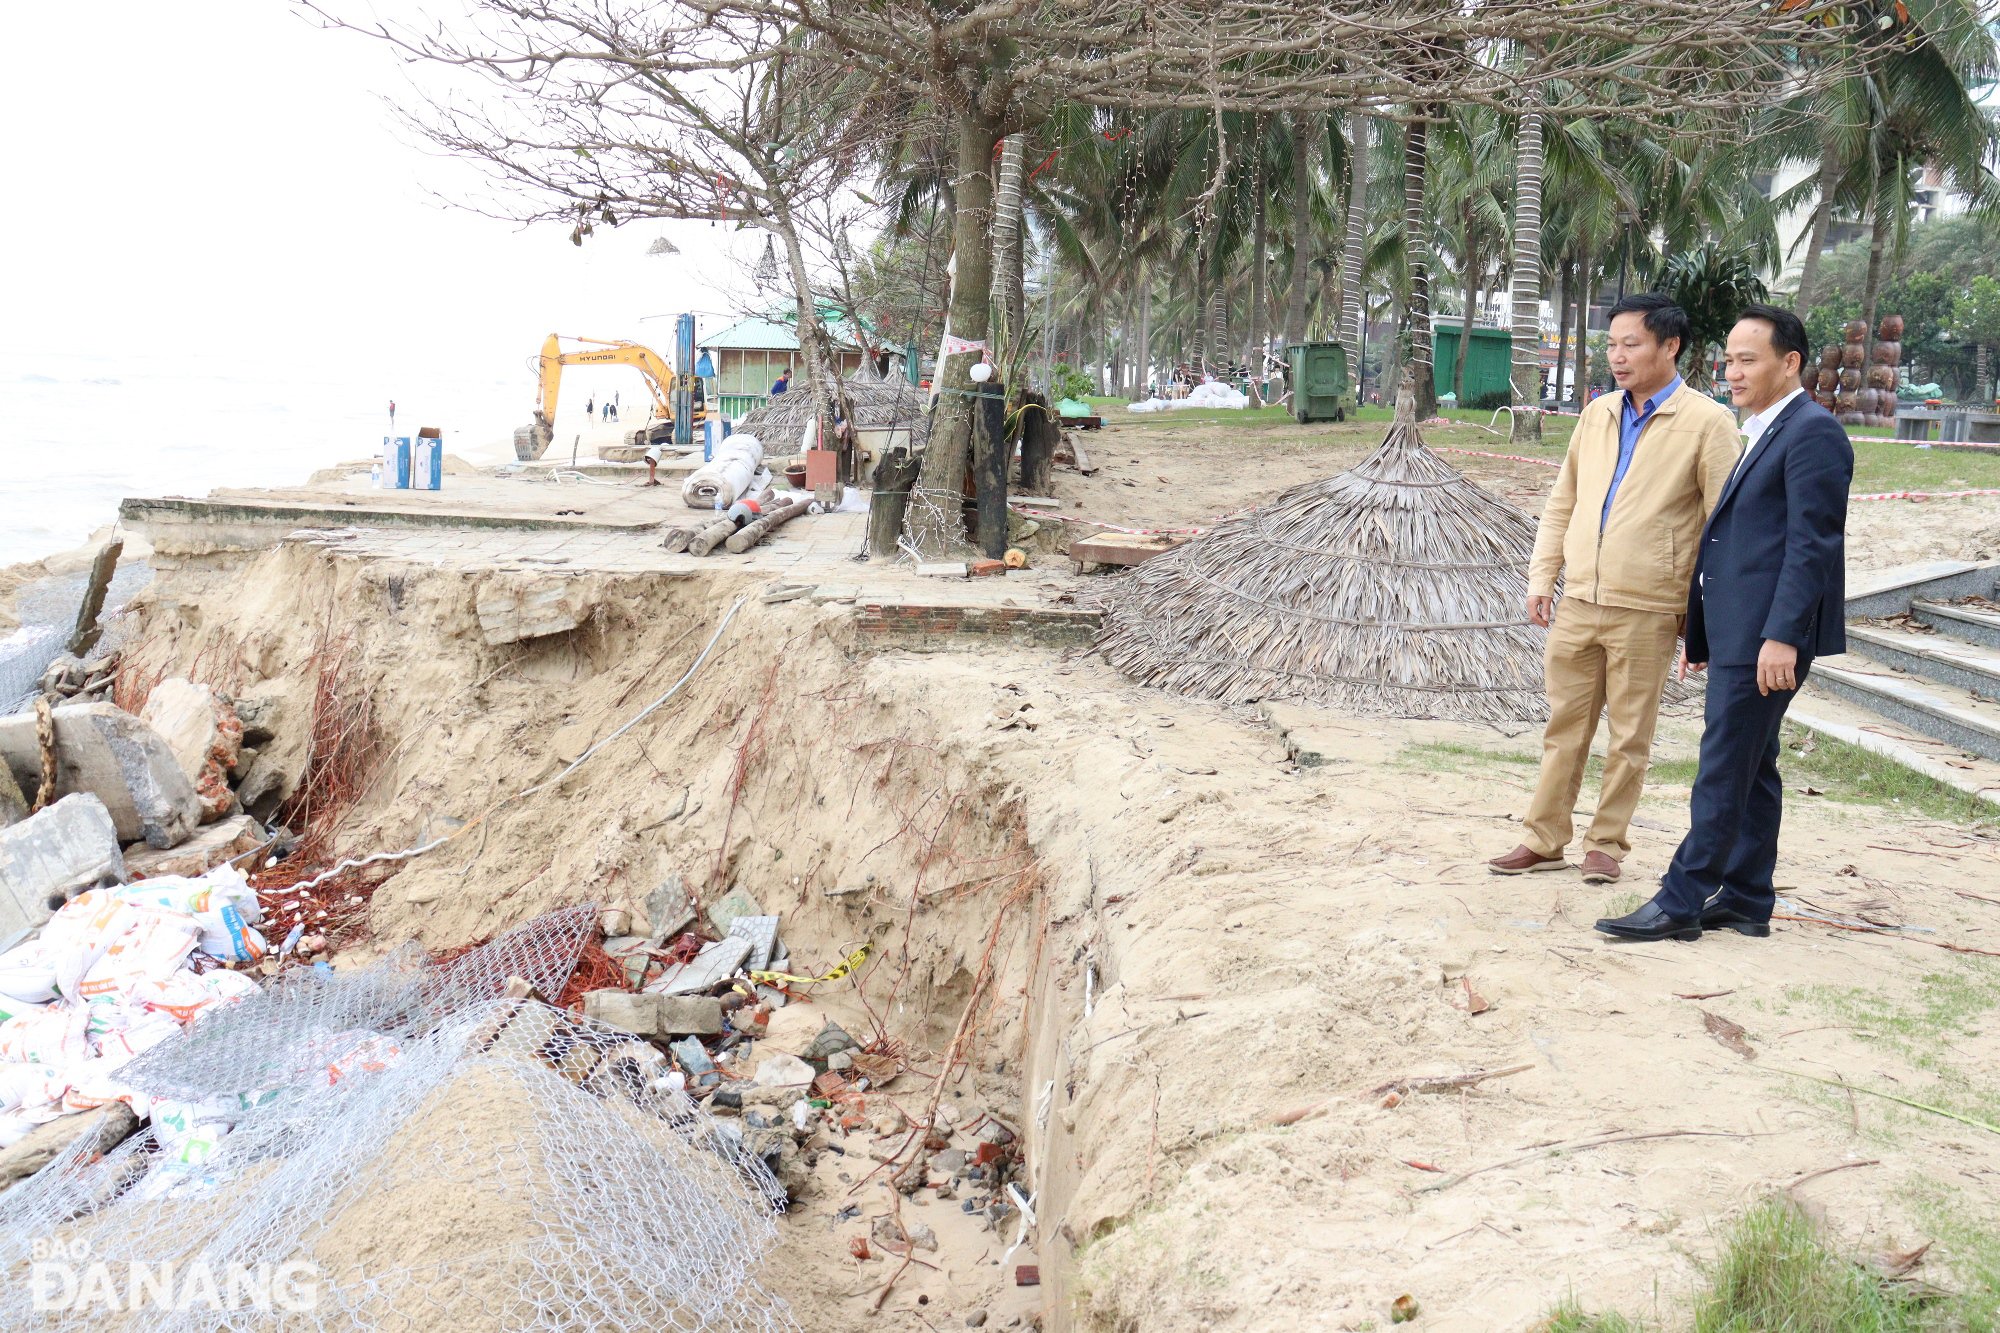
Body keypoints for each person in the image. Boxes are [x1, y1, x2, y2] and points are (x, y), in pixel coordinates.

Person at [1596, 305, 1852, 941]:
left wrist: (1782, 636)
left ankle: (1682, 897)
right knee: (1753, 765)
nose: (1731, 371)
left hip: (1769, 635)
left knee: (1723, 763)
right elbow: (1736, 541)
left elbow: (1810, 546)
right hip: (1743, 629)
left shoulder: (1813, 433)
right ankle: (1744, 895)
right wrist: (1709, 629)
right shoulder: (1763, 428)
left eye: (1747, 360)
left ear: (1789, 363)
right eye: (1728, 359)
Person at [1489, 293, 1740, 887]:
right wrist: (1541, 576)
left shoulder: (1709, 423)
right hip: (1578, 601)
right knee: (1564, 727)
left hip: (1650, 608)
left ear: (1669, 346)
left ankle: (1606, 844)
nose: (1618, 356)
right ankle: (1544, 837)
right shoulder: (1597, 413)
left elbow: (1723, 526)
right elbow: (1563, 502)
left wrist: (1696, 615)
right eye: (1612, 345)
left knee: (1630, 736)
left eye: (1632, 344)